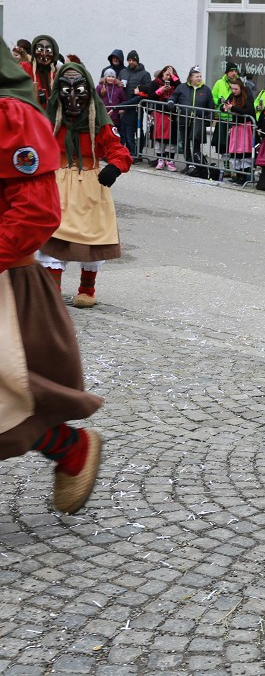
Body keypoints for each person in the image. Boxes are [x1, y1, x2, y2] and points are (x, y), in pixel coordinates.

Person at [0, 38, 105, 515]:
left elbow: (35, 212)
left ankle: (70, 450)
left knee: (13, 397)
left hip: (5, 277)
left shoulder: (11, 114)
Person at [35, 61, 133, 308]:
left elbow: (117, 149)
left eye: (79, 90)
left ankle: (87, 289)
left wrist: (114, 166)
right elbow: (34, 147)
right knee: (52, 236)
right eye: (66, 90)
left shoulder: (98, 121)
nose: (73, 98)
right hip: (57, 183)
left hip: (90, 183)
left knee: (91, 237)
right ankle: (52, 290)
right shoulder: (51, 121)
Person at [168, 66, 214, 176]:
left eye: (200, 76)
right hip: (184, 119)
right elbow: (173, 97)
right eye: (197, 76)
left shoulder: (206, 89)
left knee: (196, 143)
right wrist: (170, 101)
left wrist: (209, 118)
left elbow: (211, 106)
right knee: (185, 143)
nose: (199, 78)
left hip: (198, 121)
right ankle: (189, 164)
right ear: (190, 77)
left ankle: (197, 164)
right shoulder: (182, 87)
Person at [141, 65, 180, 171]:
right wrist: (160, 91)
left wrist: (174, 77)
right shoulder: (155, 83)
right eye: (167, 74)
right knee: (160, 139)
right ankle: (161, 160)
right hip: (159, 113)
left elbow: (181, 90)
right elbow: (150, 97)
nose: (168, 77)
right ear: (162, 74)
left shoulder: (175, 84)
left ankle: (170, 161)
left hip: (172, 115)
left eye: (170, 75)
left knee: (171, 140)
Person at [117, 50, 152, 160]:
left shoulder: (145, 74)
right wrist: (119, 84)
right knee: (124, 129)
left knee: (137, 129)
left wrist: (139, 90)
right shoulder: (123, 72)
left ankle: (138, 152)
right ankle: (126, 151)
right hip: (124, 103)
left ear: (137, 60)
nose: (131, 62)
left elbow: (148, 89)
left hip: (137, 105)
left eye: (133, 60)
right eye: (129, 60)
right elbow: (117, 84)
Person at [221, 81, 256, 185]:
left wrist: (232, 108)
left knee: (244, 152)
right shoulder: (233, 95)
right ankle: (237, 175)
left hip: (245, 126)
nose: (234, 91)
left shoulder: (247, 94)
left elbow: (248, 111)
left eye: (236, 89)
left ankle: (243, 177)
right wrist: (224, 108)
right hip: (235, 126)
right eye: (232, 89)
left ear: (240, 87)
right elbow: (224, 105)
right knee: (236, 151)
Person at [23, 35, 62, 107]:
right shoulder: (24, 68)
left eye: (48, 50)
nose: (43, 54)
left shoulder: (55, 76)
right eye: (40, 49)